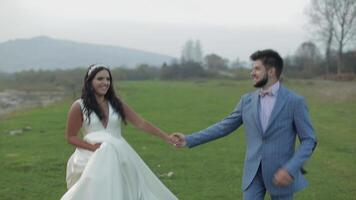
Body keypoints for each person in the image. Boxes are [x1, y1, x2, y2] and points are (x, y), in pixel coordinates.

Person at [171, 49, 317, 200]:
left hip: (282, 174)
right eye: (252, 68)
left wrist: (291, 168)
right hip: (253, 174)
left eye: (257, 68)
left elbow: (309, 140)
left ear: (272, 71)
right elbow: (223, 126)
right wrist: (189, 139)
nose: (252, 73)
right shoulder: (246, 101)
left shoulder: (295, 102)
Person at [61, 64, 178, 200]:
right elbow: (70, 137)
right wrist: (93, 148)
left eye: (108, 79)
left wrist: (166, 137)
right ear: (89, 81)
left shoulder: (116, 103)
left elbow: (140, 123)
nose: (105, 83)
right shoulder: (79, 106)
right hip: (91, 156)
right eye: (100, 79)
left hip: (119, 153)